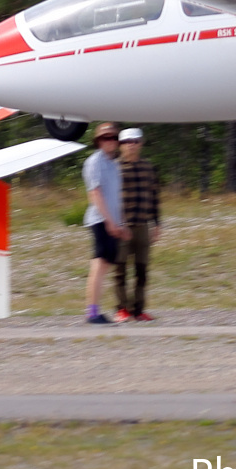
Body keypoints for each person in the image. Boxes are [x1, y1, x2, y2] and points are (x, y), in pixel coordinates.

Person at [115, 127, 162, 323]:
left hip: (142, 225)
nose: (132, 145)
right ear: (121, 145)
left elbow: (154, 196)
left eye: (135, 141)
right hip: (121, 226)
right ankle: (122, 309)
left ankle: (139, 309)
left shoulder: (148, 168)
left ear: (141, 144)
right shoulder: (114, 167)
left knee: (142, 270)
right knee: (120, 270)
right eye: (127, 141)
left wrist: (157, 223)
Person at [82, 121, 126, 325]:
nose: (109, 141)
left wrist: (120, 223)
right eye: (104, 138)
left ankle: (94, 309)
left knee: (103, 265)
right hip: (101, 220)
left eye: (113, 137)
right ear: (98, 141)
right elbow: (96, 193)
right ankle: (92, 312)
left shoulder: (113, 164)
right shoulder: (95, 162)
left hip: (111, 220)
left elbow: (116, 196)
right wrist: (109, 222)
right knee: (99, 266)